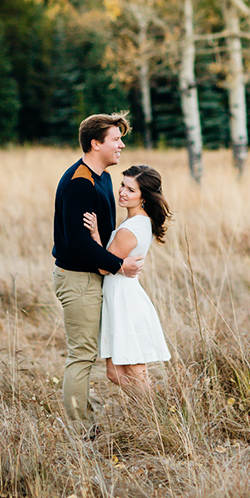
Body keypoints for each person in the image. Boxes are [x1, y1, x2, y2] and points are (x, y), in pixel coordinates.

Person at [52, 111, 144, 438]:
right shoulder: (80, 182)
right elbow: (77, 245)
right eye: (115, 139)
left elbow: (100, 236)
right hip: (78, 279)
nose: (121, 144)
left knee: (91, 352)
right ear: (95, 143)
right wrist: (119, 265)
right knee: (81, 355)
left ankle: (87, 420)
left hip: (95, 275)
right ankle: (82, 432)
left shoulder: (103, 177)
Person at [84, 164, 172, 392]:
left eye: (131, 190)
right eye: (123, 185)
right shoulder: (137, 222)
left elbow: (104, 268)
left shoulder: (132, 228)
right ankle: (145, 416)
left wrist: (96, 239)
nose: (122, 192)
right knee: (115, 373)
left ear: (144, 197)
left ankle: (156, 420)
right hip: (118, 298)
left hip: (126, 302)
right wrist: (117, 261)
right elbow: (113, 260)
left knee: (135, 371)